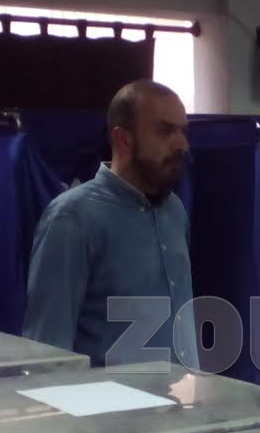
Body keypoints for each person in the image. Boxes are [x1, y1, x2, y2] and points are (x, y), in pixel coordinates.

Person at [23, 80, 199, 370]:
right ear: (122, 139)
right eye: (165, 130)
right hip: (111, 400)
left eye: (183, 131)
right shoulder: (72, 218)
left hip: (184, 395)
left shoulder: (175, 211)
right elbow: (47, 349)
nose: (182, 145)